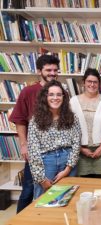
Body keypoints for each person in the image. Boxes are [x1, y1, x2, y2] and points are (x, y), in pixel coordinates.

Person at [8, 54, 60, 213]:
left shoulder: (60, 91)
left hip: (56, 152)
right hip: (35, 151)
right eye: (48, 70)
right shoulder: (28, 91)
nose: (52, 73)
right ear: (39, 71)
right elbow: (20, 121)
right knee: (29, 190)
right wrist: (24, 145)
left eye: (55, 70)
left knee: (54, 189)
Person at [27, 80, 81, 198]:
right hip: (46, 163)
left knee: (67, 199)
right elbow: (33, 151)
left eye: (58, 94)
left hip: (68, 162)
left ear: (63, 97)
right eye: (51, 94)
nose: (55, 98)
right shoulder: (35, 121)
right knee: (43, 200)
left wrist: (68, 169)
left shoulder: (72, 118)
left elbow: (76, 144)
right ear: (45, 97)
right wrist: (41, 179)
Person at [70, 68, 101, 178]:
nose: (92, 84)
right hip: (80, 152)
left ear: (99, 84)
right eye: (89, 81)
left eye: (95, 82)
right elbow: (69, 128)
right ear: (83, 82)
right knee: (84, 186)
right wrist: (81, 149)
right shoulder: (73, 101)